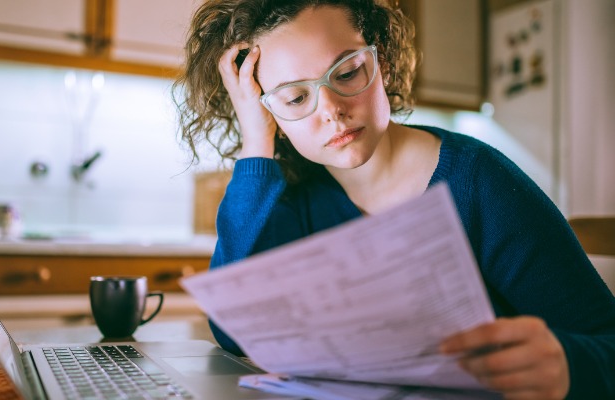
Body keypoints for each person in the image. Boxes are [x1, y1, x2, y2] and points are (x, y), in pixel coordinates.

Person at [171, 0, 615, 398]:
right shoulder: (292, 198)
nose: (331, 109)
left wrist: (567, 364)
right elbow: (233, 332)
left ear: (379, 58)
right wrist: (255, 138)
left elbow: (606, 341)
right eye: (294, 97)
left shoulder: (479, 181)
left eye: (346, 73)